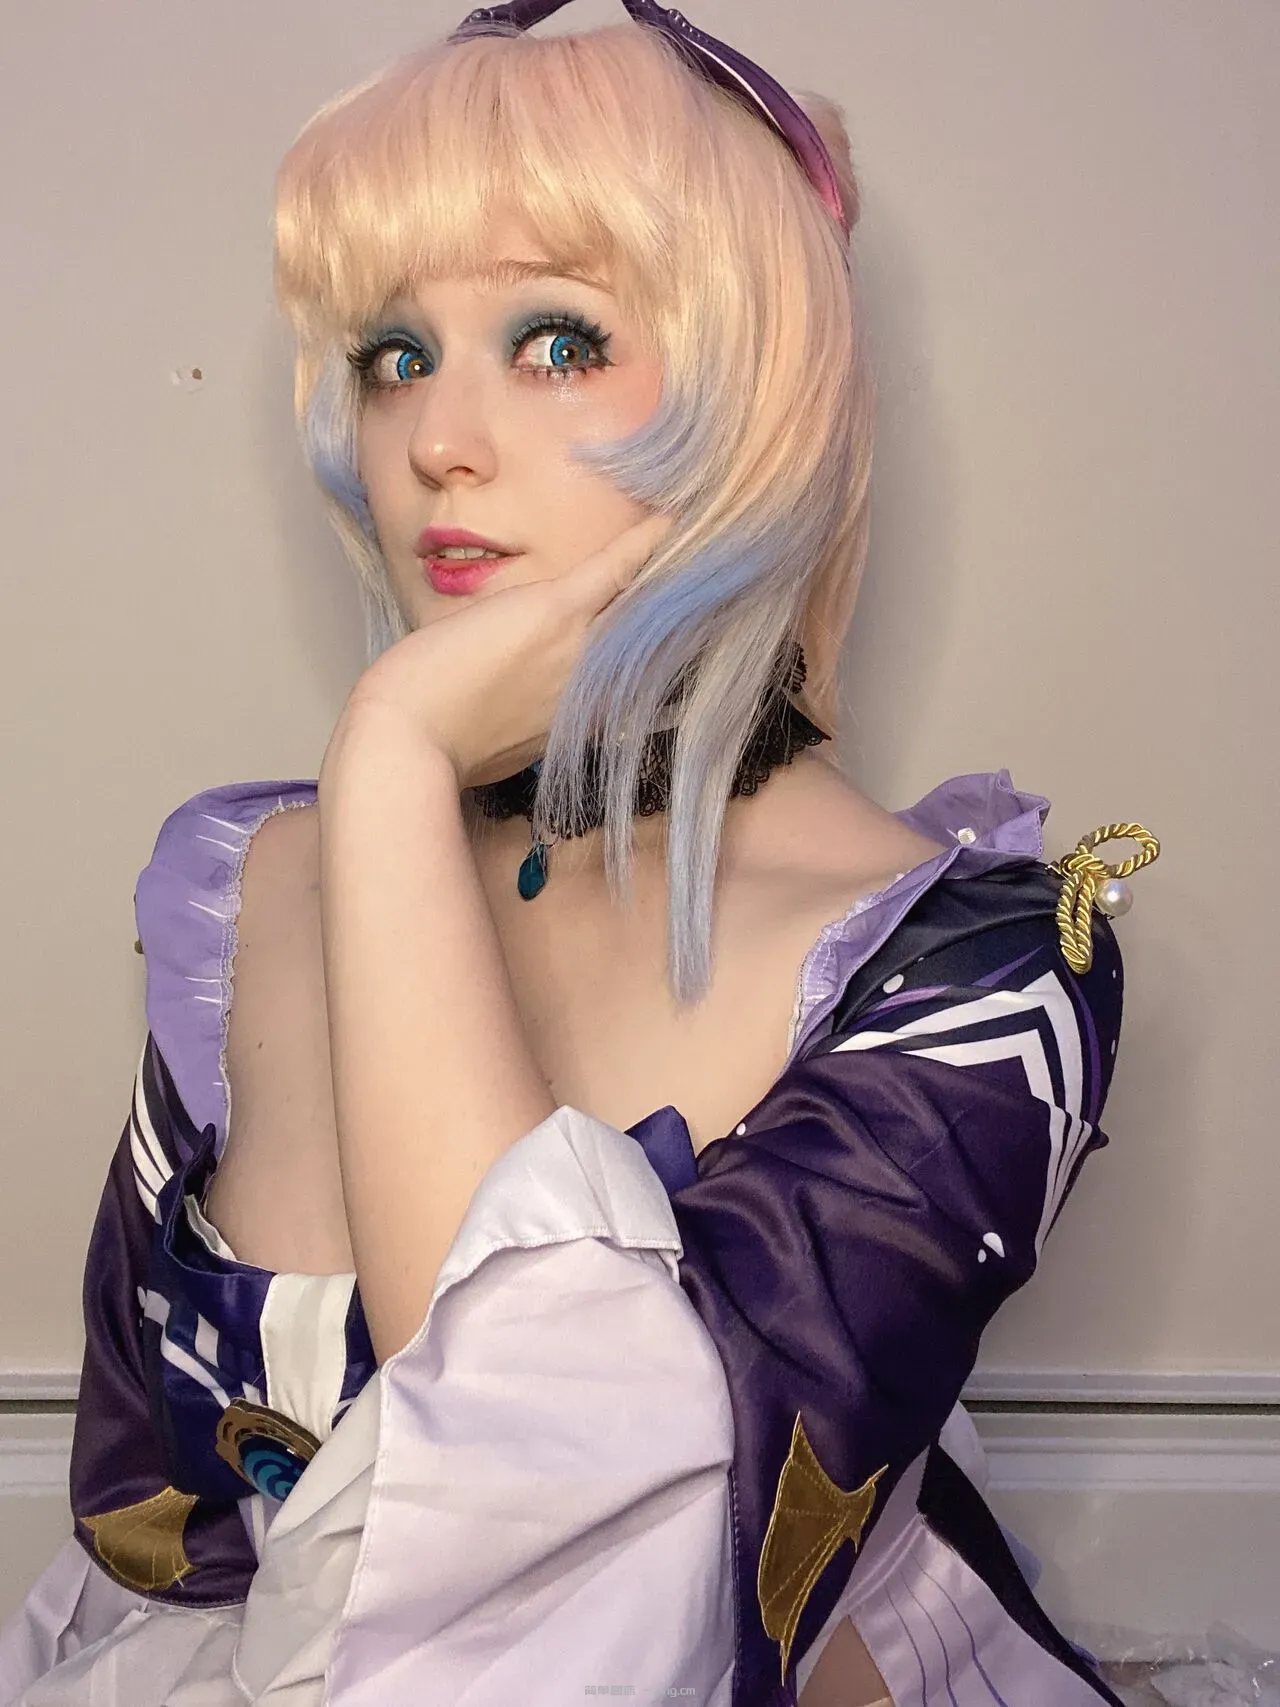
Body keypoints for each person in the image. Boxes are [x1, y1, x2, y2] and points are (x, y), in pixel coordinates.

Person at [0, 4, 1160, 1703]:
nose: (435, 442)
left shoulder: (978, 968)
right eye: (395, 354)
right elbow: (153, 1525)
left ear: (759, 395)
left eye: (555, 339)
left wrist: (398, 753)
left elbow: (563, 1607)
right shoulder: (244, 883)